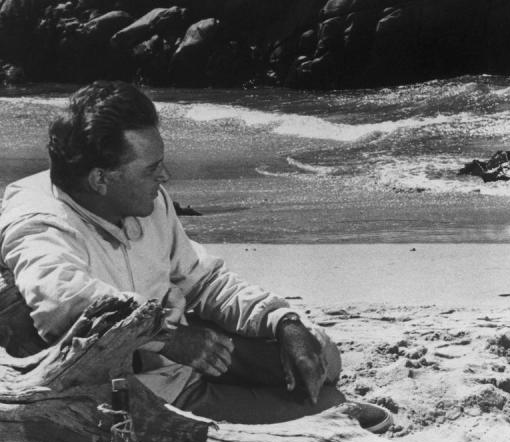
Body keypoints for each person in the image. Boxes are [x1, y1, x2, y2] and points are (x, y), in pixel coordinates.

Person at [0, 81, 343, 423]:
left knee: (319, 353)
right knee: (328, 414)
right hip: (128, 392)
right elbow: (63, 307)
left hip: (180, 356)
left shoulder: (145, 201)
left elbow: (206, 282)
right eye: (151, 169)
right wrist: (169, 338)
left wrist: (283, 321)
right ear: (100, 179)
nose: (164, 176)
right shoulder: (38, 223)